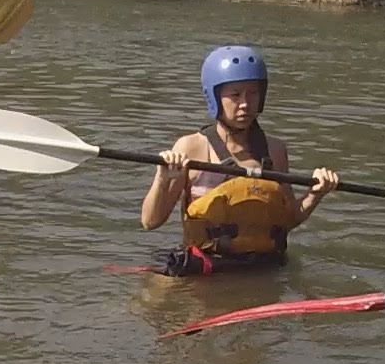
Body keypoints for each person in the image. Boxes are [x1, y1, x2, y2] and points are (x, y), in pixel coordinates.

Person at [138, 45, 339, 276]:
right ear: (215, 97)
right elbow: (150, 222)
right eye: (235, 95)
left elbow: (289, 220)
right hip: (204, 272)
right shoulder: (191, 148)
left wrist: (315, 194)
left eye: (252, 93)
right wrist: (162, 180)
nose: (245, 103)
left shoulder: (275, 150)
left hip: (264, 270)